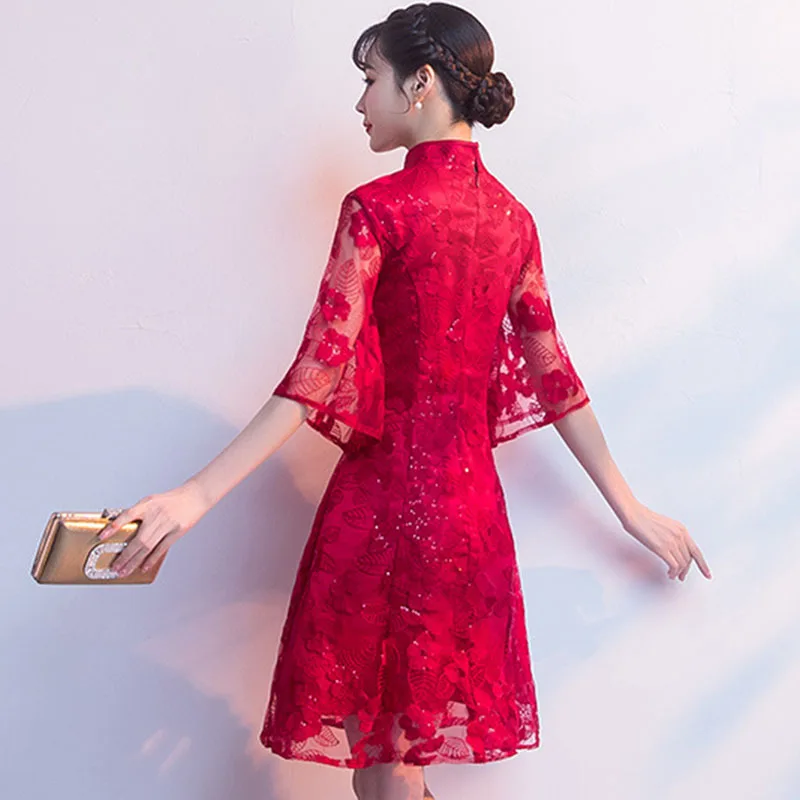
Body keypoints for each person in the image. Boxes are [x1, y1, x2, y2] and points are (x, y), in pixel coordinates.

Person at [97, 3, 712, 799]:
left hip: (383, 512)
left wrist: (194, 495)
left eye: (370, 79)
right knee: (388, 771)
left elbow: (317, 372)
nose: (360, 102)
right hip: (469, 520)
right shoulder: (514, 222)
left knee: (383, 771)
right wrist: (630, 508)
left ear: (420, 83)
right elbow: (554, 373)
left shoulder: (379, 209)